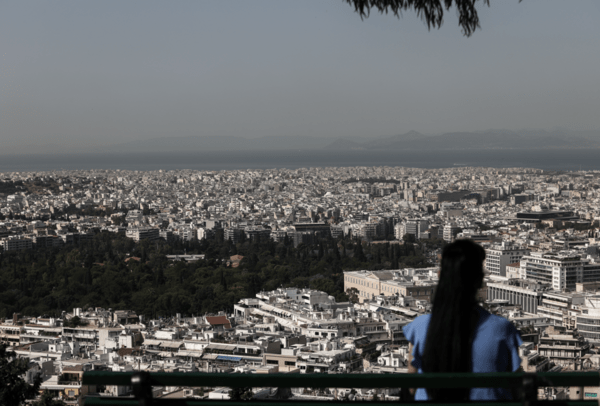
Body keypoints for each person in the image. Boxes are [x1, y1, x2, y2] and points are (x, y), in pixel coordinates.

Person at [403, 239, 522, 401]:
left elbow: (411, 385)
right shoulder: (501, 329)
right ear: (480, 280)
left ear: (440, 276)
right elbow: (517, 388)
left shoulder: (420, 327)